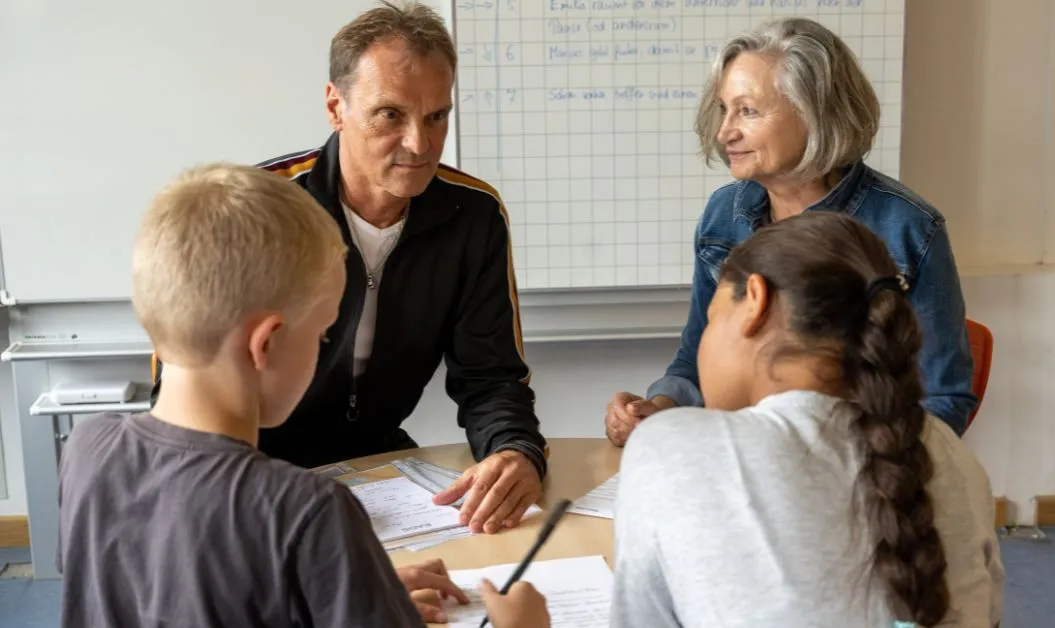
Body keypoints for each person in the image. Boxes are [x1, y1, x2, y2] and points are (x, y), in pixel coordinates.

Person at [57, 164, 550, 627]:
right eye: (322, 335)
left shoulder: (88, 450)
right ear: (266, 344)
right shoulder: (309, 510)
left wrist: (352, 591)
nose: (322, 350)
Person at [150, 1, 544, 534]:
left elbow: (492, 377)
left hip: (380, 472)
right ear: (336, 107)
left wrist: (514, 451)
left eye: (437, 116)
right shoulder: (260, 209)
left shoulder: (474, 216)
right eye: (391, 115)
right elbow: (180, 394)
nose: (420, 144)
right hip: (254, 477)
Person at [611, 211, 1003, 627]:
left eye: (711, 319)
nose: (704, 344)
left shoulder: (667, 447)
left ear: (755, 302)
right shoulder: (954, 455)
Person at [605, 17, 977, 446]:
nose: (725, 131)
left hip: (858, 472)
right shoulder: (722, 215)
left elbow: (943, 401)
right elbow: (694, 361)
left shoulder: (909, 229)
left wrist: (840, 465)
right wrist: (660, 409)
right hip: (743, 457)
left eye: (747, 110)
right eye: (724, 109)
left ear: (815, 112)